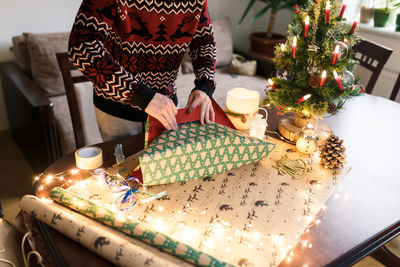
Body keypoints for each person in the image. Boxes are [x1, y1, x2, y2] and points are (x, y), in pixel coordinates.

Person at [68, 0, 216, 141]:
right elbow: (81, 46)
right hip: (118, 109)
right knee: (122, 166)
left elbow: (204, 41)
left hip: (167, 106)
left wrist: (205, 84)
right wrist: (140, 95)